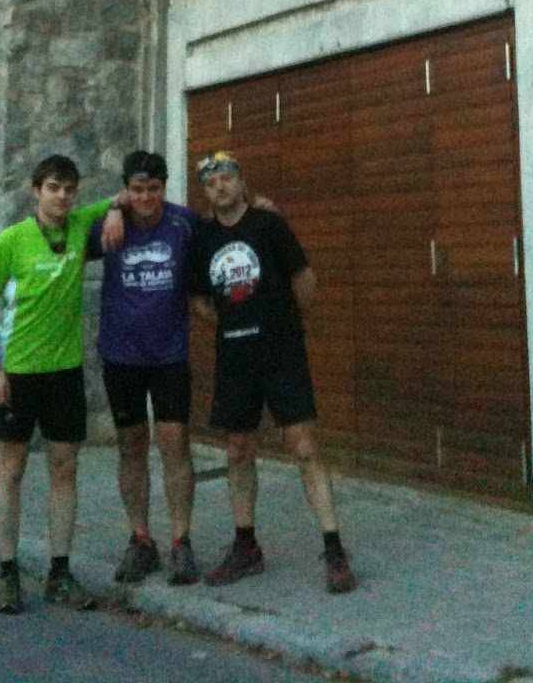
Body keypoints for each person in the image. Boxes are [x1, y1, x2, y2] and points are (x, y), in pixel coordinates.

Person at [189, 151, 357, 595]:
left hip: (282, 354)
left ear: (241, 182)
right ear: (205, 192)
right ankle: (246, 547)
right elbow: (200, 300)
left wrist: (288, 324)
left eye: (227, 178)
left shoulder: (269, 225)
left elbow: (304, 278)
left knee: (305, 447)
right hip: (235, 359)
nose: (220, 187)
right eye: (211, 183)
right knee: (238, 449)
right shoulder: (203, 238)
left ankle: (334, 548)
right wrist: (231, 324)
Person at [0, 153, 126, 615]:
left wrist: (114, 212)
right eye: (53, 187)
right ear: (36, 190)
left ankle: (60, 573)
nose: (62, 196)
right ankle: (7, 573)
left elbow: (122, 197)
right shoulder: (12, 240)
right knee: (11, 468)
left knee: (65, 467)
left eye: (69, 189)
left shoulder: (79, 225)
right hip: (18, 372)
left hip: (65, 373)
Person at [86, 150, 201, 587]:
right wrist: (113, 208)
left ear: (164, 188)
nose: (146, 198)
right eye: (136, 190)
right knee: (131, 446)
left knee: (175, 444)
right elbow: (63, 231)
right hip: (122, 355)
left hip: (170, 355)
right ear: (126, 190)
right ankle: (140, 540)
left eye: (153, 189)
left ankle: (181, 542)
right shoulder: (107, 224)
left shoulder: (184, 223)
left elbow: (227, 233)